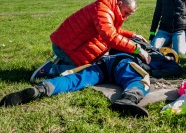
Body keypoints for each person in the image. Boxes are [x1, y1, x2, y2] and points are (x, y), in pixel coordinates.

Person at [31, 0, 150, 82]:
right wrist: (138, 49)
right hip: (65, 46)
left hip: (71, 45)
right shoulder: (103, 11)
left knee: (93, 64)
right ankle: (51, 69)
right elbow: (111, 36)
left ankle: (62, 61)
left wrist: (133, 35)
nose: (126, 17)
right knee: (85, 70)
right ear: (119, 4)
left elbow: (114, 31)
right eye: (127, 13)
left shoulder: (109, 9)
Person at [2, 53, 152, 117]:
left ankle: (41, 89)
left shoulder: (117, 33)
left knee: (73, 80)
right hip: (123, 62)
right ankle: (128, 99)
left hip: (101, 63)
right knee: (140, 80)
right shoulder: (142, 49)